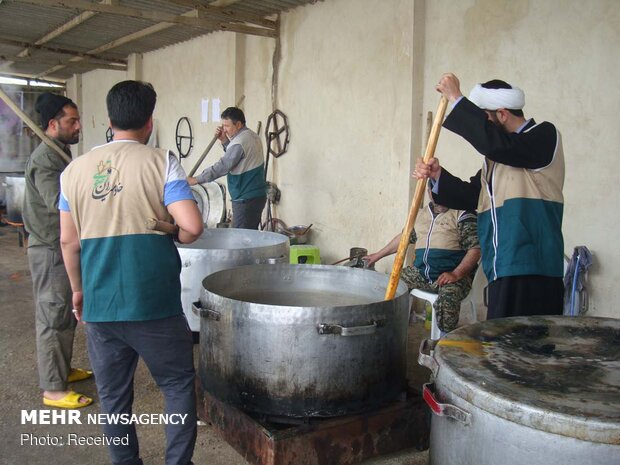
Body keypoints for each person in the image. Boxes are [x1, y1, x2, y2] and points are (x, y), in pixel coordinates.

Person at [59, 80, 203, 465]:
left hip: (101, 303)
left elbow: (68, 242)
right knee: (175, 386)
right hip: (155, 302)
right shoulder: (162, 161)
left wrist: (78, 290)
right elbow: (192, 228)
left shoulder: (73, 172)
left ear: (109, 119)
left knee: (113, 395)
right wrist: (169, 228)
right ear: (150, 121)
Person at [415, 73, 565, 320]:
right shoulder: (497, 160)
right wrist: (437, 175)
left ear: (503, 114)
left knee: (527, 351)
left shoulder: (544, 136)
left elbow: (499, 145)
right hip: (501, 265)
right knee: (501, 347)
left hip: (532, 267)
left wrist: (456, 99)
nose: (481, 127)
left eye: (485, 119)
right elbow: (469, 196)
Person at [22, 92, 93, 409]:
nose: (78, 126)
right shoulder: (45, 160)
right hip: (50, 250)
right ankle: (53, 389)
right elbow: (59, 205)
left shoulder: (60, 150)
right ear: (53, 124)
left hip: (61, 246)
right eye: (72, 121)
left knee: (65, 313)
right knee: (53, 315)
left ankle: (62, 369)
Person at [365, 185, 480, 333]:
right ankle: (388, 329)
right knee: (390, 285)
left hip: (451, 276)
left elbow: (475, 249)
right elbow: (403, 239)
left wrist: (456, 274)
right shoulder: (420, 215)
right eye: (438, 196)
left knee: (447, 301)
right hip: (421, 274)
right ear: (429, 193)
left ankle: (442, 341)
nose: (442, 201)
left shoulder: (462, 214)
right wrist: (377, 255)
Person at [187, 107, 266, 229]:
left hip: (245, 197)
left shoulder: (240, 141)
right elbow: (237, 157)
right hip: (255, 195)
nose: (224, 129)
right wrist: (224, 140)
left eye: (227, 126)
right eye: (223, 125)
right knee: (249, 237)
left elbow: (223, 166)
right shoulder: (251, 136)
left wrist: (196, 179)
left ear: (238, 124)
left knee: (241, 239)